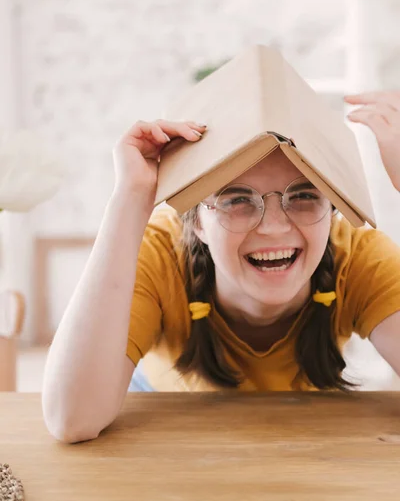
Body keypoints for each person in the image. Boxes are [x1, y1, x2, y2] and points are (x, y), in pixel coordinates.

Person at [42, 91, 400, 443]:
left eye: (304, 196)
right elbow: (72, 419)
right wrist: (131, 197)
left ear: (333, 210)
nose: (274, 227)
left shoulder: (357, 255)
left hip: (302, 429)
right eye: (237, 199)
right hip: (165, 412)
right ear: (196, 221)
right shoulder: (158, 252)